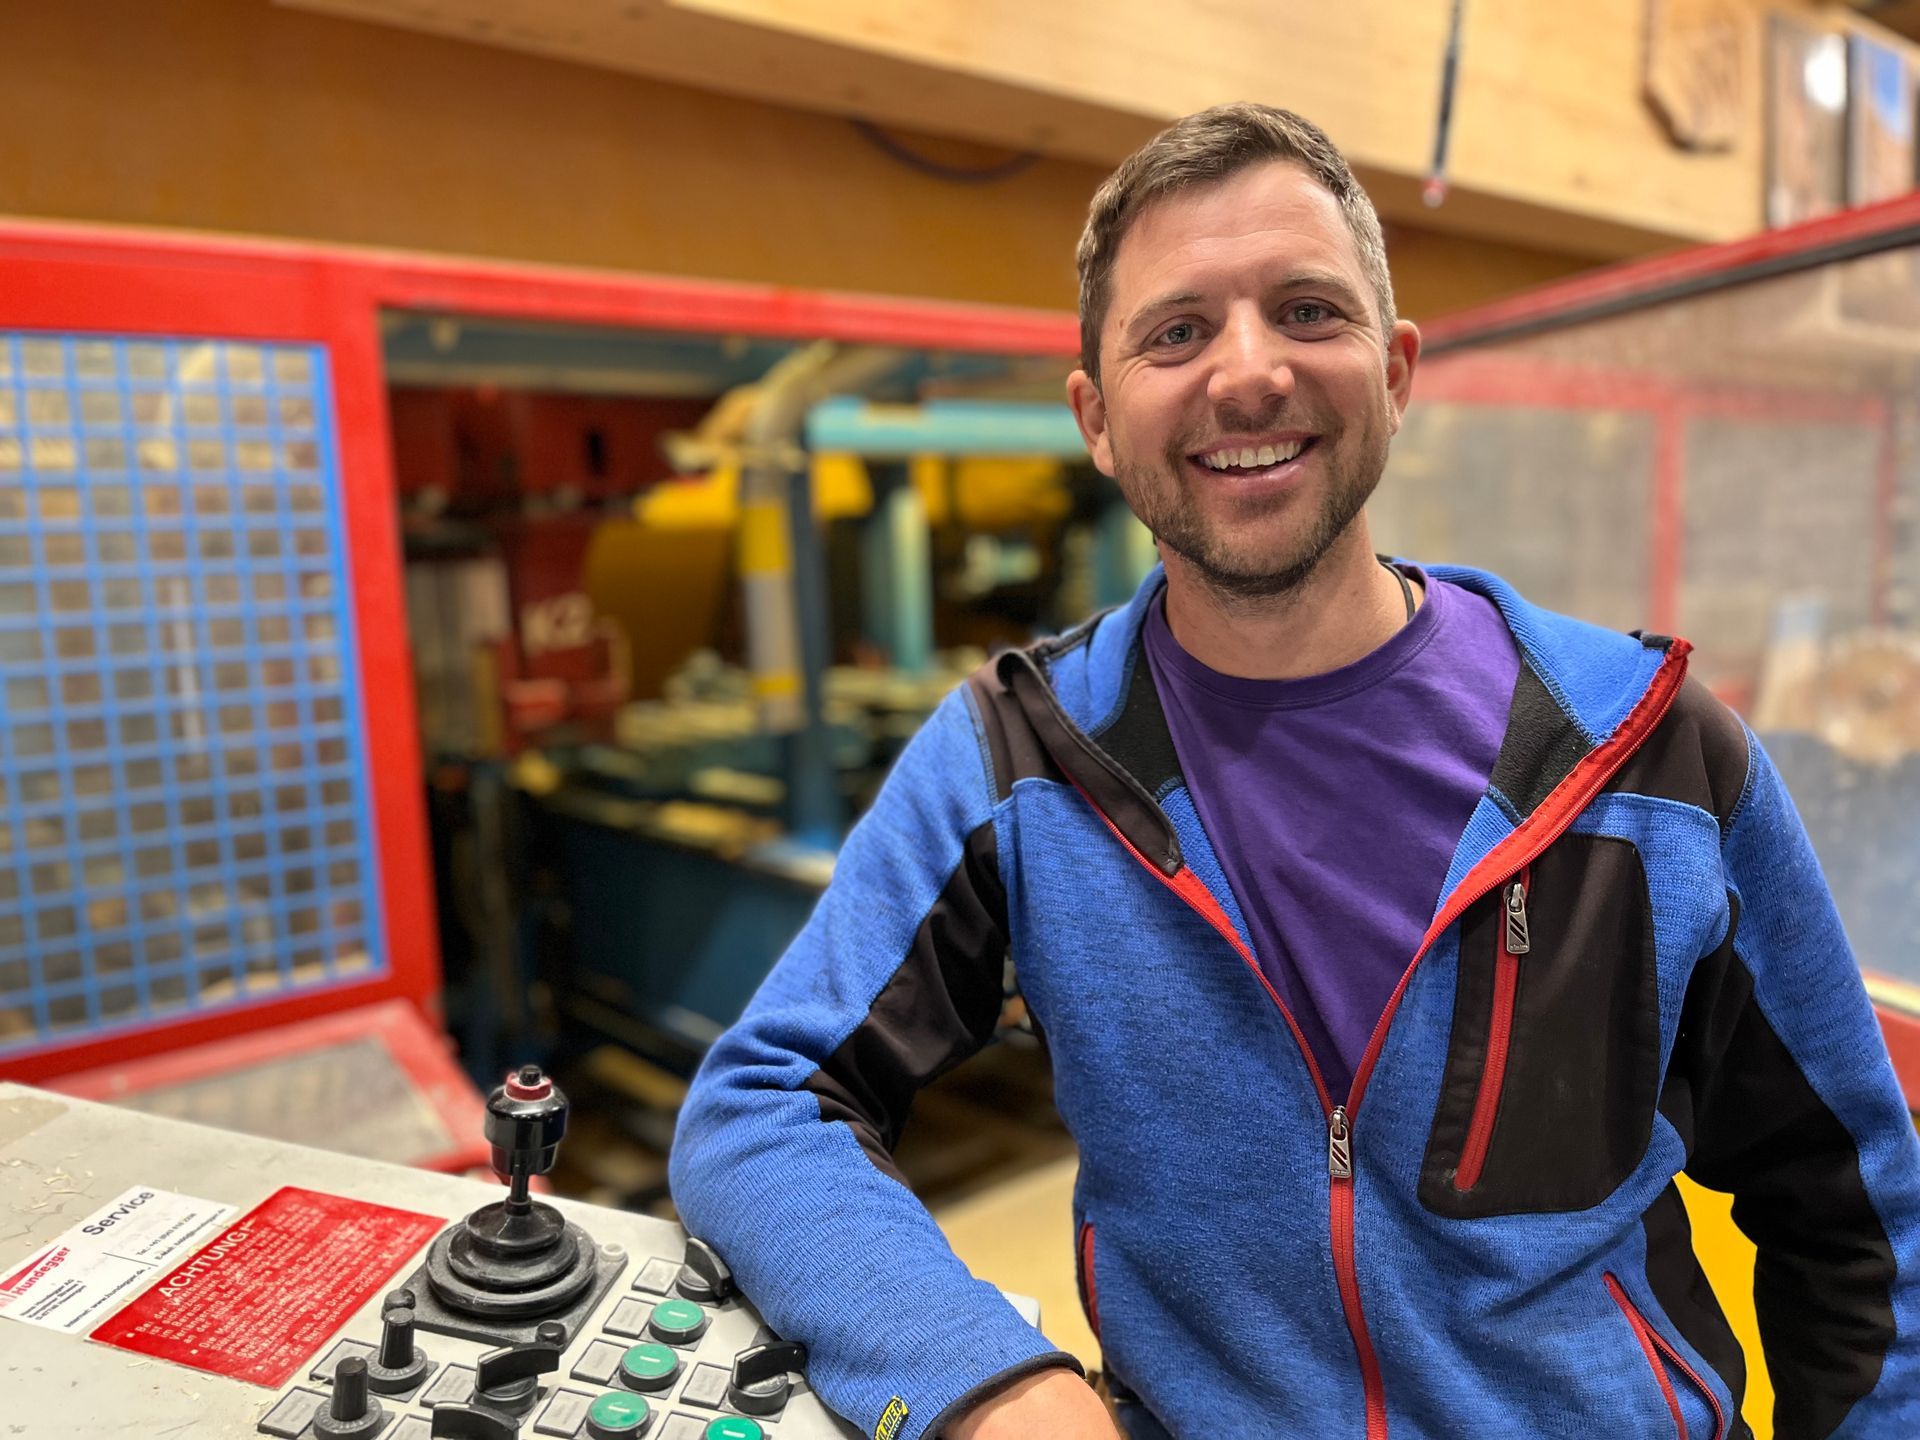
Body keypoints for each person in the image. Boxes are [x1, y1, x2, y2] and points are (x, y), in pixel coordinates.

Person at [669, 103, 1920, 1440]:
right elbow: (761, 1108)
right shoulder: (1014, 762)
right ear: (1097, 419)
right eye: (1176, 332)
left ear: (1396, 371)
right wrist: (983, 1380)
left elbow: (1864, 1224)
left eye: (1309, 311)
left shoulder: (1653, 758)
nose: (1248, 374)